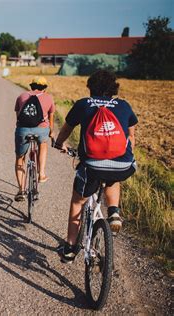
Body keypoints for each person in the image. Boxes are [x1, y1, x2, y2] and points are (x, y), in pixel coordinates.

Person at [54, 70, 137, 263]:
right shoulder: (123, 106)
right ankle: (114, 212)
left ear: (91, 88)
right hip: (123, 163)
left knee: (77, 202)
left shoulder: (84, 104)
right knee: (113, 177)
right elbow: (131, 136)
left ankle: (70, 248)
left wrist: (59, 143)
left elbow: (66, 128)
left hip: (91, 165)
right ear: (113, 89)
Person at [14, 77, 55, 201]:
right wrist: (51, 132)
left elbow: (18, 118)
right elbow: (51, 121)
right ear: (45, 87)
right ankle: (41, 173)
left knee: (20, 158)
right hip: (41, 130)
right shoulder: (49, 98)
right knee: (43, 143)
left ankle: (21, 190)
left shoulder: (21, 96)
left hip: (23, 130)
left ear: (31, 86)